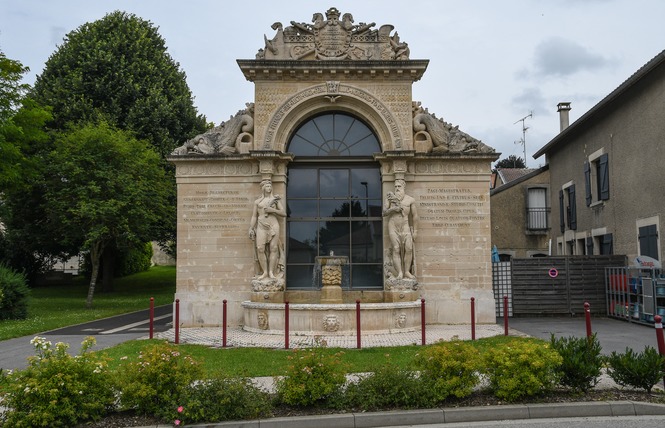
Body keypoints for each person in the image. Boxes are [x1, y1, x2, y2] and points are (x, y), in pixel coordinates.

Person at [249, 179, 286, 280]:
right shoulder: (257, 202)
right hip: (261, 225)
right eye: (267, 186)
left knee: (273, 248)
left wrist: (272, 210)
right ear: (263, 188)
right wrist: (251, 228)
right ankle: (264, 272)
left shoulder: (275, 200)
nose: (269, 188)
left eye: (270, 186)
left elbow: (283, 213)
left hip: (273, 224)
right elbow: (254, 216)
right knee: (260, 249)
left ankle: (271, 272)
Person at [383, 179, 418, 279]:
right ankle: (399, 272)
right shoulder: (390, 198)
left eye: (399, 186)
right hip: (393, 225)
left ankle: (407, 271)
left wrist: (415, 231)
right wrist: (393, 209)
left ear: (403, 187)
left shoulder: (410, 199)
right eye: (396, 187)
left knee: (409, 248)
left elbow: (415, 216)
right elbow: (384, 212)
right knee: (396, 248)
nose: (397, 188)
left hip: (405, 224)